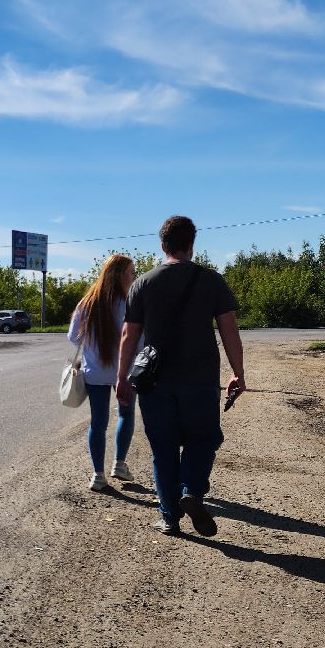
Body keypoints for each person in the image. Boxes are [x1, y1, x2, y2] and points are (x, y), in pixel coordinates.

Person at [116, 216, 245, 537]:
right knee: (204, 439)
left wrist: (121, 379)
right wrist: (238, 373)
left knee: (163, 448)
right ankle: (191, 489)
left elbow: (128, 337)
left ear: (163, 246)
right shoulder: (212, 281)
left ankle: (169, 517)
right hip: (200, 379)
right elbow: (230, 330)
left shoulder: (143, 284)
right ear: (191, 244)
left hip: (155, 381)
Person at [67, 253, 137, 491]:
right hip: (124, 373)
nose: (134, 277)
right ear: (119, 275)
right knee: (126, 415)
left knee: (98, 423)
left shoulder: (87, 302)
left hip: (95, 372)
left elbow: (73, 336)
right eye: (131, 273)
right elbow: (137, 340)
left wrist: (92, 351)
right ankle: (119, 464)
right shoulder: (128, 303)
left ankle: (98, 475)